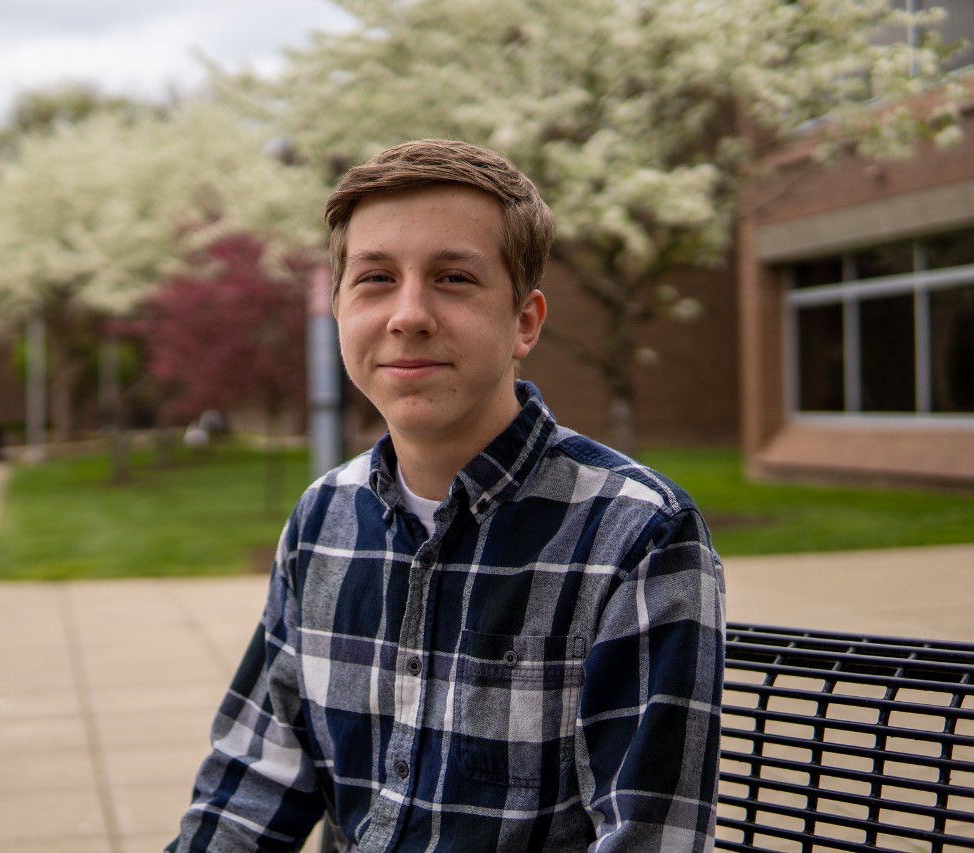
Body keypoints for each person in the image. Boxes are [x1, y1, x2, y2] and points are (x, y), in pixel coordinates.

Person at [168, 139, 725, 852]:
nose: (408, 315)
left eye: (453, 277)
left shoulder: (638, 534)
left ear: (524, 321)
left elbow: (650, 839)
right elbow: (253, 782)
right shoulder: (322, 520)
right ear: (339, 310)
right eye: (374, 278)